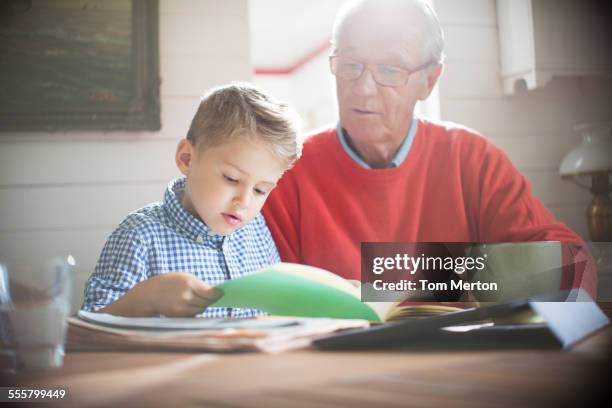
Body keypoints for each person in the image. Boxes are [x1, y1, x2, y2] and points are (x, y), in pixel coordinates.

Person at [262, 0, 595, 296]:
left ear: (430, 81)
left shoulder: (474, 161)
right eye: (350, 64)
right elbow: (258, 292)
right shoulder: (285, 172)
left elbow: (569, 262)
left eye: (390, 69)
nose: (363, 89)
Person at [82, 83, 302, 317]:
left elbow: (274, 311)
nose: (244, 201)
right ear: (186, 158)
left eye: (260, 190)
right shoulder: (139, 236)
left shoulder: (257, 231)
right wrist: (147, 299)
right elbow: (88, 330)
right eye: (231, 178)